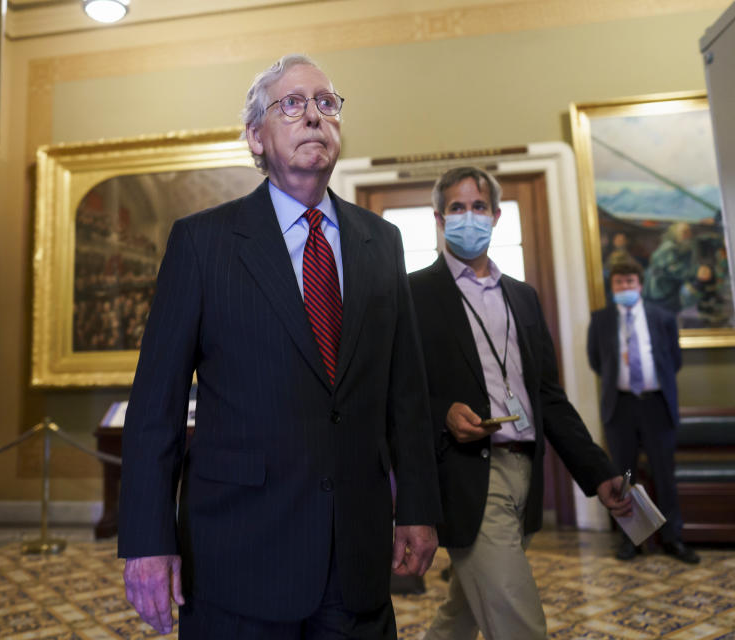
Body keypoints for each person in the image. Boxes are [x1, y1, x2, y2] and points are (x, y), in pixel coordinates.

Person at [117, 53, 442, 639]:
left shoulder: (381, 242)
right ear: (255, 138)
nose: (313, 116)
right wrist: (146, 542)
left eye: (326, 103)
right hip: (238, 557)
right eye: (291, 104)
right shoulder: (202, 243)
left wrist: (417, 507)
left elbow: (406, 393)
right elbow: (155, 407)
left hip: (355, 559)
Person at [408, 166, 632, 640]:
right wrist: (443, 413)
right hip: (466, 474)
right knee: (516, 616)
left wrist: (598, 470)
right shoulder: (413, 294)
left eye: (478, 207)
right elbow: (395, 391)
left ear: (497, 214)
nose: (469, 217)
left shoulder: (523, 297)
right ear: (439, 218)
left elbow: (547, 395)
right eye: (457, 208)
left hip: (524, 472)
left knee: (466, 606)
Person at [587, 259, 700, 564]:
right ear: (612, 287)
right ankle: (630, 540)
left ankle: (673, 539)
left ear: (640, 284)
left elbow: (672, 361)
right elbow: (597, 361)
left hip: (656, 405)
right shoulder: (601, 320)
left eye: (630, 282)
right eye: (619, 283)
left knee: (664, 474)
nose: (625, 288)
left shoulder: (662, 317)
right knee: (624, 476)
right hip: (620, 407)